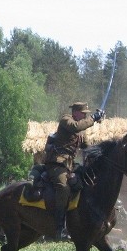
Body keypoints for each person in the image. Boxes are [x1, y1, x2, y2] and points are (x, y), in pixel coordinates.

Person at [43, 101, 104, 240]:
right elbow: (75, 127)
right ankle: (59, 227)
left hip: (70, 165)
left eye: (86, 114)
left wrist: (101, 153)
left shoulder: (81, 131)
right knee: (63, 188)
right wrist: (93, 118)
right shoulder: (66, 120)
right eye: (83, 113)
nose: (84, 116)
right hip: (56, 164)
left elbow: (87, 148)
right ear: (76, 112)